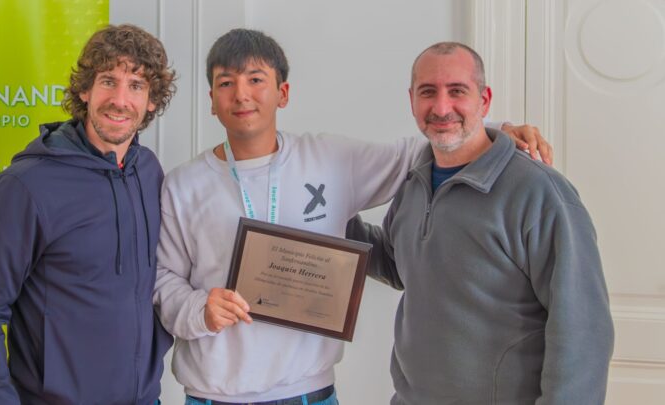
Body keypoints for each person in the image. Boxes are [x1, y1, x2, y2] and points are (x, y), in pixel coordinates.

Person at [153, 29, 551, 405]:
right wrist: (198, 310)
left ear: (283, 92)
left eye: (256, 79)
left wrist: (499, 131)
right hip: (213, 395)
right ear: (210, 99)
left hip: (311, 392)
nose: (241, 94)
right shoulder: (182, 185)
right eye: (226, 83)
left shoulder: (330, 160)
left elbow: (419, 151)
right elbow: (162, 280)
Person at [347, 42, 614, 404]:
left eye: (457, 91)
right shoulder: (413, 182)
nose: (442, 108)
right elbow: (398, 265)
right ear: (412, 101)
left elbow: (582, 329)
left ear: (484, 101)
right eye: (428, 92)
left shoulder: (540, 193)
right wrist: (332, 215)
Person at [0, 24, 175, 405]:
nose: (120, 100)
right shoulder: (27, 186)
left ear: (152, 100)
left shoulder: (149, 171)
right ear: (84, 90)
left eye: (136, 85)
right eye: (108, 81)